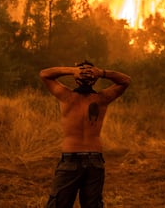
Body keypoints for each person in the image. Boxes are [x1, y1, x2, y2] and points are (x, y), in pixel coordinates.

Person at [40, 60, 131, 208]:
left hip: (72, 159)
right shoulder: (101, 99)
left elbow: (45, 75)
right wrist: (99, 73)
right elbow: (125, 81)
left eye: (89, 73)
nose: (85, 75)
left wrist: (79, 71)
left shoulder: (66, 96)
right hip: (94, 161)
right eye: (82, 72)